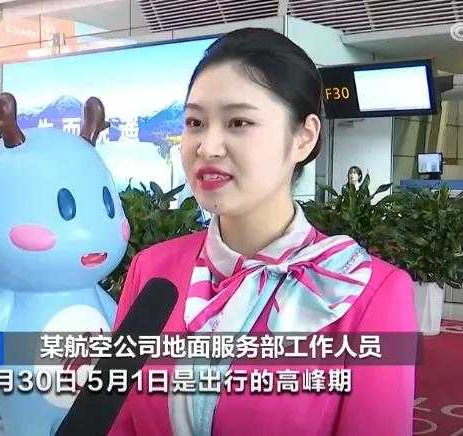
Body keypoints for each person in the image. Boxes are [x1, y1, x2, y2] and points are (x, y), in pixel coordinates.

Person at [109, 28, 417, 435]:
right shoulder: (153, 271)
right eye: (195, 122)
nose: (208, 147)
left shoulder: (366, 291)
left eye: (238, 122)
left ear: (303, 138)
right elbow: (117, 422)